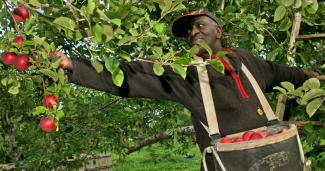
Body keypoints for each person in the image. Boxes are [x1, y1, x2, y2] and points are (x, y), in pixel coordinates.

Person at [57, 9, 318, 171]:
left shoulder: (246, 60)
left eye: (199, 26)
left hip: (275, 161)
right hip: (225, 167)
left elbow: (281, 72)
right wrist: (73, 65)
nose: (193, 33)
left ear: (218, 30)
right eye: (189, 31)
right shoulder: (186, 73)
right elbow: (130, 75)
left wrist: (307, 76)